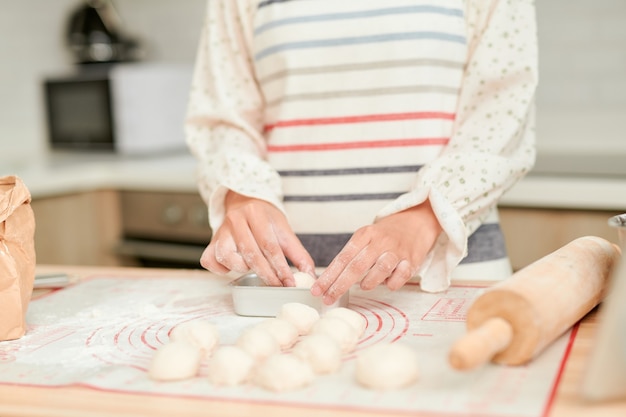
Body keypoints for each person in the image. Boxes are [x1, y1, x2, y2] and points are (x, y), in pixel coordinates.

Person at [185, 0, 538, 305]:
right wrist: (242, 194)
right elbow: (224, 116)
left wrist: (426, 213)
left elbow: (502, 104)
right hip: (284, 283)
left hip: (449, 277)